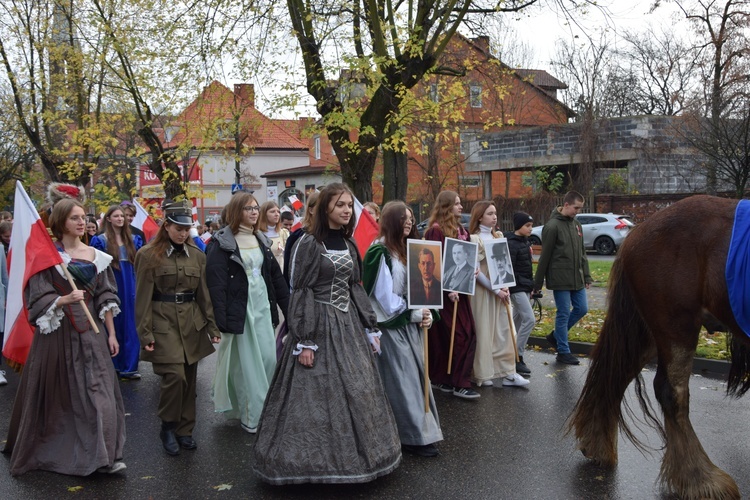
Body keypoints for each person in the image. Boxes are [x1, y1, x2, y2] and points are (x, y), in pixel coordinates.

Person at [253, 183, 401, 485]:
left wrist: (369, 326)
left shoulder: (348, 245)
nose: (346, 210)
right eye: (339, 206)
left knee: (359, 389)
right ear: (325, 210)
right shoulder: (309, 243)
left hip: (347, 326)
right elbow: (302, 291)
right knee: (311, 397)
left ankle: (360, 460)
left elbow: (354, 288)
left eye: (349, 205)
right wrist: (305, 339)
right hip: (317, 324)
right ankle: (309, 465)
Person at [4, 198, 126, 476]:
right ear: (60, 222)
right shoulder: (49, 257)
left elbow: (106, 294)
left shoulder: (98, 256)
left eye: (83, 217)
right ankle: (67, 450)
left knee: (101, 395)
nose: (82, 222)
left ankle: (105, 455)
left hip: (92, 336)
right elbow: (36, 296)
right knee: (63, 397)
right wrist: (63, 300)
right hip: (57, 335)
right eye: (74, 218)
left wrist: (112, 334)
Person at [134, 200, 221, 456]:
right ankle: (168, 425)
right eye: (178, 228)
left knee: (189, 379)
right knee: (175, 377)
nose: (183, 233)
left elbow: (204, 294)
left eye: (187, 228)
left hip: (191, 323)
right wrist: (145, 333)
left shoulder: (197, 255)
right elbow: (142, 299)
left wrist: (212, 327)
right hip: (163, 323)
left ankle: (185, 430)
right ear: (166, 225)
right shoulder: (148, 255)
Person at [363, 201, 443, 457]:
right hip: (391, 326)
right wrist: (414, 312)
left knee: (419, 377)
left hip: (411, 324)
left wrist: (429, 312)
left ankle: (422, 432)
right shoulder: (379, 252)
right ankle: (410, 436)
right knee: (403, 380)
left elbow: (424, 289)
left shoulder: (411, 250)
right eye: (403, 218)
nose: (409, 222)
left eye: (410, 218)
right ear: (390, 221)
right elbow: (384, 298)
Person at [206, 192, 290, 434]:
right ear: (236, 212)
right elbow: (216, 284)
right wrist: (220, 322)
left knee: (267, 359)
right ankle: (253, 416)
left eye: (256, 208)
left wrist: (288, 308)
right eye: (248, 208)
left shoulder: (262, 240)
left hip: (262, 306)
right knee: (248, 366)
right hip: (240, 311)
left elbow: (275, 278)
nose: (254, 212)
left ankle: (261, 409)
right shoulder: (221, 243)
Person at [423, 191, 480, 400]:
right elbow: (433, 264)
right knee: (458, 336)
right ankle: (456, 382)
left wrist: (473, 269)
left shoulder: (461, 230)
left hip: (461, 293)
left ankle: (453, 378)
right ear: (446, 206)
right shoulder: (435, 232)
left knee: (468, 333)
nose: (461, 207)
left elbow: (465, 258)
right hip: (446, 295)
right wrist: (447, 289)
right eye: (456, 204)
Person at [468, 201, 529, 388]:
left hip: (500, 291)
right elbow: (476, 271)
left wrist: (506, 286)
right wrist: (495, 290)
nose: (494, 217)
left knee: (505, 329)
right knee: (484, 331)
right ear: (479, 217)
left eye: (495, 213)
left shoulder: (499, 236)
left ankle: (509, 372)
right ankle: (483, 372)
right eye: (490, 213)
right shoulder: (474, 239)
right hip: (483, 292)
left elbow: (503, 267)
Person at [533, 191, 592, 365]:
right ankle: (563, 351)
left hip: (577, 278)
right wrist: (537, 283)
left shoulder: (577, 225)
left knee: (582, 308)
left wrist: (587, 274)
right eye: (576, 208)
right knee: (564, 313)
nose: (577, 212)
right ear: (566, 205)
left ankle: (556, 336)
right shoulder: (552, 226)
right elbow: (545, 257)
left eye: (580, 209)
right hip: (560, 278)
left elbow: (582, 253)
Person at [90, 205, 144, 379]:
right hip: (110, 283)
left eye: (122, 216)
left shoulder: (134, 239)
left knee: (130, 323)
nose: (121, 219)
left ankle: (130, 366)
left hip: (130, 285)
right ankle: (113, 364)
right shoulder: (101, 240)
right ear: (108, 219)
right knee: (112, 321)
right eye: (117, 216)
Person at [505, 211, 536, 375]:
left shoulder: (525, 242)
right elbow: (510, 268)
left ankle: (508, 353)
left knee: (515, 323)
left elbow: (527, 268)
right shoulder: (512, 243)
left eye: (531, 225)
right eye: (528, 225)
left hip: (524, 287)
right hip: (516, 288)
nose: (531, 228)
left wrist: (530, 287)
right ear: (519, 226)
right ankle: (518, 356)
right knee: (530, 320)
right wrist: (517, 286)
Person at [282, 191, 319, 282]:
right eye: (321, 207)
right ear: (311, 210)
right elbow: (291, 273)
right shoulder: (297, 237)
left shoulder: (337, 235)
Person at [257, 201, 289, 268]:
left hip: (280, 269)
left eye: (278, 211)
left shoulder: (283, 233)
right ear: (264, 214)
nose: (276, 214)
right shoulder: (258, 234)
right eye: (272, 212)